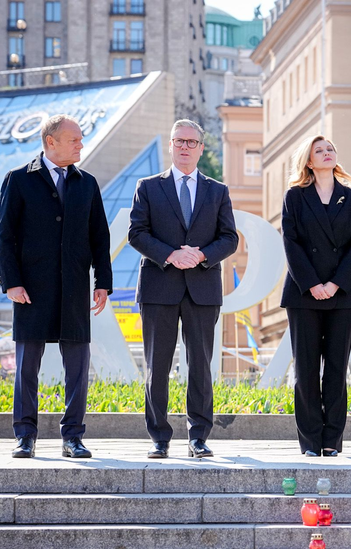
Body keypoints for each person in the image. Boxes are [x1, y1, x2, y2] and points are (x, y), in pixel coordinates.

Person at [0, 114, 112, 459]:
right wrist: (11, 284)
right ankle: (25, 436)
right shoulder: (18, 180)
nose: (81, 144)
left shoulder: (87, 183)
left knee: (78, 365)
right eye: (74, 139)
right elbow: (4, 236)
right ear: (52, 142)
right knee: (26, 366)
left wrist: (103, 283)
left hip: (75, 287)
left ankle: (73, 437)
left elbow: (100, 237)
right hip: (30, 289)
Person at [129, 119, 238, 459]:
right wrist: (171, 255)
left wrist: (201, 255)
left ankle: (199, 437)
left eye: (192, 142)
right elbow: (137, 233)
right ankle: (159, 437)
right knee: (157, 366)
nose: (185, 147)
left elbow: (230, 238)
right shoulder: (148, 186)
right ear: (171, 145)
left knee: (201, 365)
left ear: (202, 148)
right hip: (159, 287)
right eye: (180, 141)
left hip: (203, 288)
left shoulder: (217, 191)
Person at [281, 136, 351, 457]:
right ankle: (309, 442)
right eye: (320, 150)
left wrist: (335, 284)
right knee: (305, 371)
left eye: (331, 148)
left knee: (336, 369)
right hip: (304, 293)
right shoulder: (295, 197)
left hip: (342, 294)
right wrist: (313, 283)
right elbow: (291, 242)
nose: (327, 153)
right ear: (308, 161)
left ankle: (332, 441)